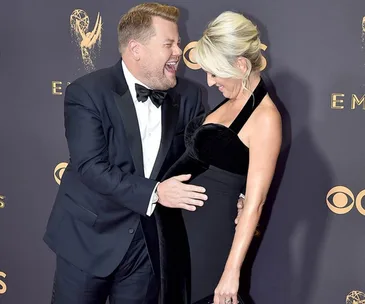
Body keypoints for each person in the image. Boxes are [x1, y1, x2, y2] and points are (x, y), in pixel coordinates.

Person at [43, 3, 211, 304]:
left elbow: (200, 158)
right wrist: (157, 193)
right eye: (169, 44)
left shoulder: (189, 95)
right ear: (136, 49)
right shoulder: (87, 92)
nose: (179, 52)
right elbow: (91, 167)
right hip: (88, 239)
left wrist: (234, 196)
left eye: (179, 43)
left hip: (146, 247)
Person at [158, 11, 282, 304]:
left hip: (207, 246)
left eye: (215, 72)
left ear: (240, 64)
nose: (210, 81)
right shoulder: (233, 97)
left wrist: (231, 272)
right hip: (179, 237)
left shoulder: (265, 118)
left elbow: (255, 203)